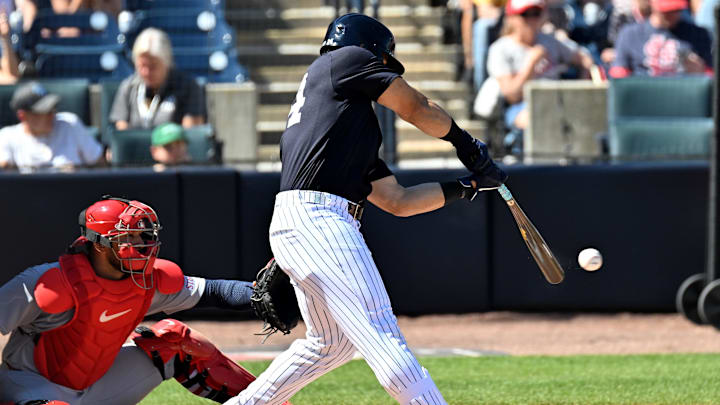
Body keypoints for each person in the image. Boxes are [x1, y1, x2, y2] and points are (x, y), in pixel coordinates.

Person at [224, 13, 507, 405]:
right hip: (320, 219)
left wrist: (468, 186)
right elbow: (416, 106)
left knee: (329, 346)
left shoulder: (339, 121)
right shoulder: (346, 59)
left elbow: (398, 201)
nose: (384, 74)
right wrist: (465, 142)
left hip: (304, 220)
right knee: (382, 335)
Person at [0, 196, 291, 405]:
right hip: (31, 386)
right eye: (132, 237)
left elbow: (213, 291)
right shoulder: (48, 282)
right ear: (101, 245)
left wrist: (256, 294)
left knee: (175, 341)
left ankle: (269, 403)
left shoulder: (147, 279)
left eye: (145, 236)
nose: (143, 245)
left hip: (96, 384)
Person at [486, 0, 594, 134]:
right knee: (534, 119)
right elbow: (512, 95)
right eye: (526, 14)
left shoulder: (549, 41)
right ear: (512, 18)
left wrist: (583, 82)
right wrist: (531, 63)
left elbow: (585, 59)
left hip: (558, 99)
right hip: (521, 105)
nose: (532, 20)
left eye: (536, 13)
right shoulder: (500, 49)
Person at [110, 28, 206, 131]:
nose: (146, 72)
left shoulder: (189, 87)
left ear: (166, 63)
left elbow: (191, 135)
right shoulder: (128, 87)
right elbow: (121, 133)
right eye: (142, 66)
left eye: (153, 66)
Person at [0, 81, 104, 171]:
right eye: (43, 111)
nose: (51, 115)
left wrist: (78, 173)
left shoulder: (70, 123)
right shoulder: (7, 136)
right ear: (23, 116)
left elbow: (101, 166)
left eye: (52, 109)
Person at [609, 0, 712, 77]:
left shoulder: (698, 33)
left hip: (684, 97)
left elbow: (712, 75)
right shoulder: (630, 34)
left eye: (676, 10)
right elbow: (618, 75)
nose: (672, 15)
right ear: (651, 3)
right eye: (666, 11)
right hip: (643, 96)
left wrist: (702, 71)